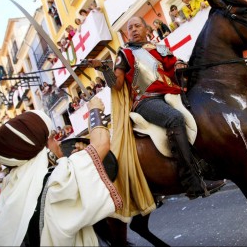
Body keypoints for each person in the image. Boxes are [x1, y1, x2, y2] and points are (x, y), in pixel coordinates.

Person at [88, 16, 225, 201]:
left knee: (202, 114)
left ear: (147, 30)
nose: (133, 30)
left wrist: (179, 64)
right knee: (174, 118)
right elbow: (117, 85)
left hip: (172, 96)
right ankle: (192, 183)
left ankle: (208, 165)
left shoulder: (161, 49)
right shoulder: (125, 52)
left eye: (137, 25)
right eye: (130, 28)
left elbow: (174, 68)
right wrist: (104, 69)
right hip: (146, 101)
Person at [0, 98, 122, 246]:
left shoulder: (10, 194)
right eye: (52, 138)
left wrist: (77, 162)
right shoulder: (55, 183)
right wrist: (95, 110)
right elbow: (101, 144)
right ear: (42, 150)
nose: (59, 142)